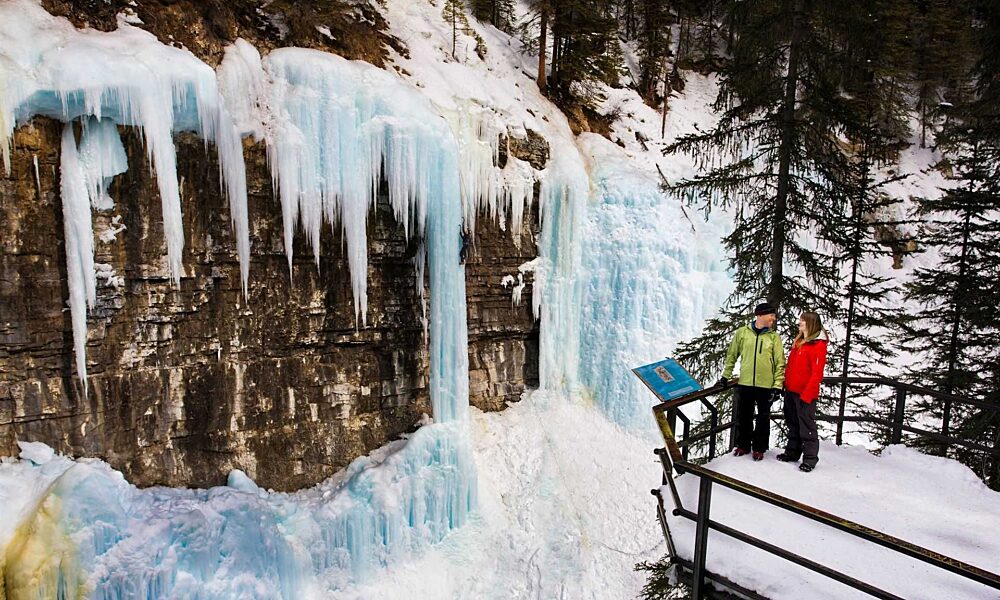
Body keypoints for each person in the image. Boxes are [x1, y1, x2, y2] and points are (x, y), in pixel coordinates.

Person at [719, 302, 786, 461]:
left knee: (763, 417)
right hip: (746, 383)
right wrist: (725, 376)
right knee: (744, 416)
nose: (774, 318)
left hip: (766, 385)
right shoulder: (742, 333)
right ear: (761, 315)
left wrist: (777, 385)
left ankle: (759, 448)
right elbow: (732, 355)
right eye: (771, 315)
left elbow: (780, 363)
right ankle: (743, 445)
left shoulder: (773, 337)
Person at [777, 311, 829, 472]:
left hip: (805, 393)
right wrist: (785, 384)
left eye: (803, 321)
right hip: (791, 390)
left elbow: (816, 373)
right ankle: (792, 452)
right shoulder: (800, 342)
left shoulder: (818, 345)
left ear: (811, 324)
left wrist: (807, 393)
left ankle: (810, 458)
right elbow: (792, 366)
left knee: (806, 426)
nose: (800, 323)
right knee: (793, 423)